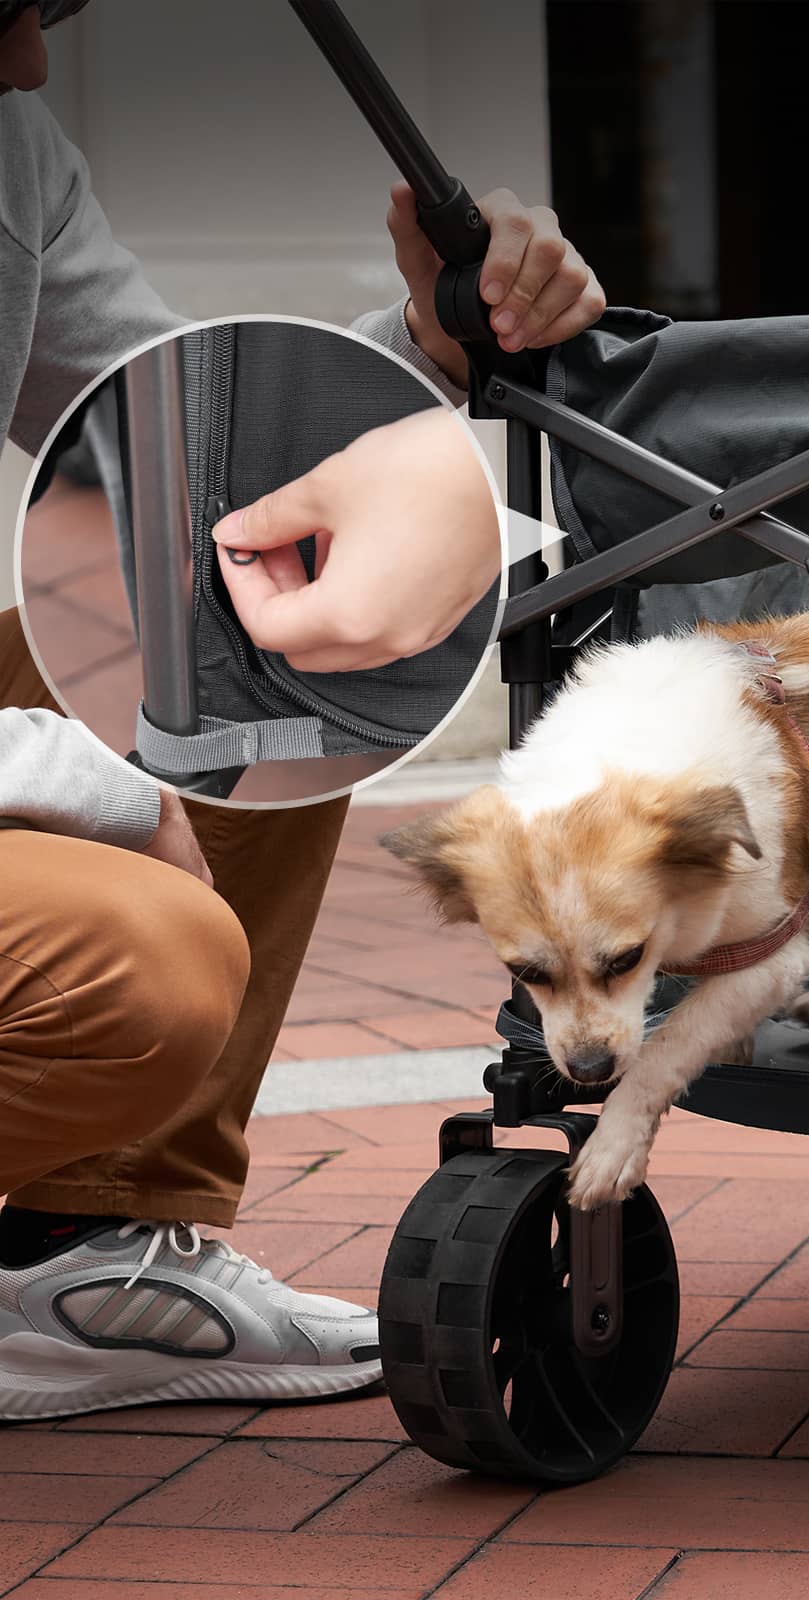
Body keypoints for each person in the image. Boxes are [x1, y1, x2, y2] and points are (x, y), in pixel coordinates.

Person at [0, 0, 603, 1418]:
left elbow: (195, 458)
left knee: (240, 636)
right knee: (131, 966)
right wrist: (108, 785)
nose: (31, 63)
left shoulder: (6, 143)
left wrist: (433, 334)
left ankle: (77, 1264)